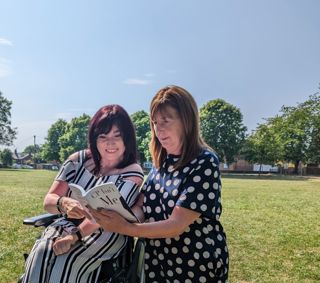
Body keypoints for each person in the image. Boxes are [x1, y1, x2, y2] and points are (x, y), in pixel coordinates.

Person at [90, 86, 229, 283]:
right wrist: (113, 213)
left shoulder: (204, 161)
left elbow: (176, 225)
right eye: (155, 122)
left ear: (187, 120)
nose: (158, 129)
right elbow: (142, 206)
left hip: (194, 263)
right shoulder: (161, 163)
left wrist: (125, 228)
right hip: (158, 261)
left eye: (166, 120)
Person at [21, 104, 144, 283]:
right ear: (94, 139)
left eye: (117, 136)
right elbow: (49, 200)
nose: (110, 143)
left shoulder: (132, 171)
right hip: (66, 224)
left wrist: (75, 236)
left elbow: (104, 216)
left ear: (127, 139)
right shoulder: (77, 160)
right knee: (41, 252)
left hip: (106, 231)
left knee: (67, 261)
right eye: (103, 137)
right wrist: (63, 202)